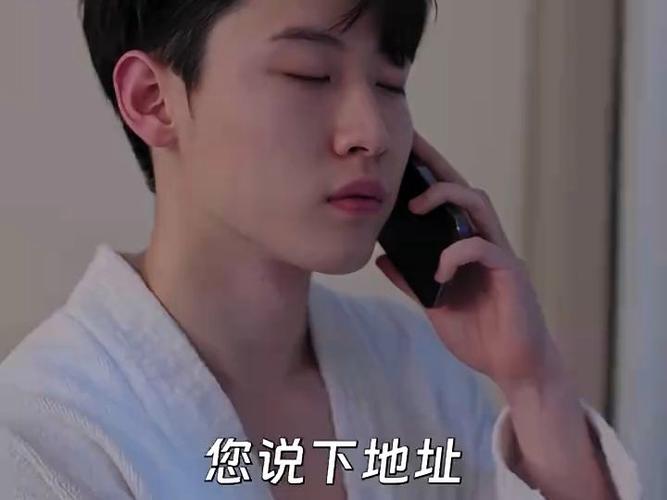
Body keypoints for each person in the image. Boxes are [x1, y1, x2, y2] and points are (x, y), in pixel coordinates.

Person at [0, 0, 642, 499]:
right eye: (309, 74)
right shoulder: (41, 439)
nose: (372, 133)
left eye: (390, 83)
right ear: (152, 99)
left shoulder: (418, 374)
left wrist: (533, 385)